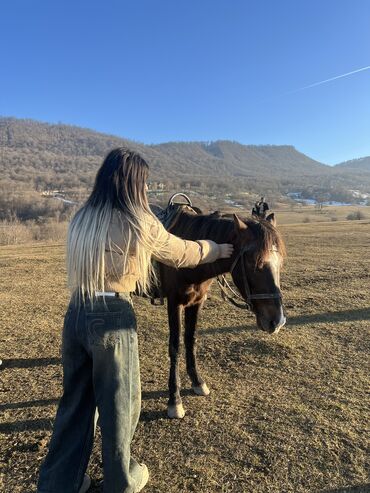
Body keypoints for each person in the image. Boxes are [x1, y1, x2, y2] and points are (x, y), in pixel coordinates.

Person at [37, 147, 233, 493]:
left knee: (76, 402)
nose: (145, 190)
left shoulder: (82, 218)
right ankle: (121, 480)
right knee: (121, 402)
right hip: (113, 315)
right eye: (143, 183)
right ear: (131, 183)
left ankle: (60, 482)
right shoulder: (139, 220)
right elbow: (181, 253)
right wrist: (216, 249)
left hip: (76, 313)